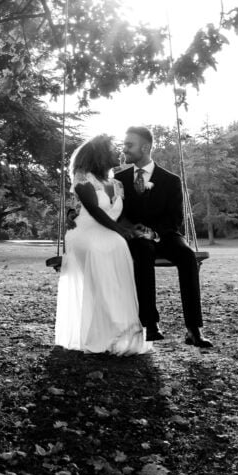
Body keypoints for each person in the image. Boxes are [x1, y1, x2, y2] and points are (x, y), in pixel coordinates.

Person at [116, 126, 213, 348]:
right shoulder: (119, 179)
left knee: (187, 256)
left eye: (129, 145)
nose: (125, 149)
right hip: (136, 238)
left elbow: (174, 218)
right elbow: (117, 213)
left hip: (165, 235)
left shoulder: (170, 180)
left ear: (145, 147)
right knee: (142, 250)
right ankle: (150, 323)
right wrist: (134, 230)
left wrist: (153, 233)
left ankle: (193, 328)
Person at [54, 135, 151, 355]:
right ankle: (108, 330)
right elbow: (95, 211)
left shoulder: (116, 183)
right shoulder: (83, 178)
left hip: (109, 233)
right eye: (113, 149)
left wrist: (131, 229)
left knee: (117, 245)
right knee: (106, 247)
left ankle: (124, 330)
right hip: (85, 232)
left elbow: (119, 216)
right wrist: (121, 231)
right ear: (100, 155)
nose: (118, 153)